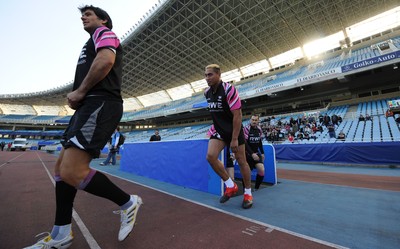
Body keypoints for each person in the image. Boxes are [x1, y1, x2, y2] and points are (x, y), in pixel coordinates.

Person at [24, 5, 142, 248]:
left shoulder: (104, 32)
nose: (83, 17)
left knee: (71, 171)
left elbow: (106, 60)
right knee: (61, 171)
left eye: (88, 14)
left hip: (100, 103)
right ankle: (61, 234)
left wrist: (80, 91)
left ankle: (128, 202)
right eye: (82, 15)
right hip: (88, 107)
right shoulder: (90, 41)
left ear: (104, 20)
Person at [204, 64, 253, 209]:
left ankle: (248, 194)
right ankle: (230, 186)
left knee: (242, 161)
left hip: (234, 131)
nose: (207, 78)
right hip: (219, 131)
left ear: (219, 74)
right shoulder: (206, 93)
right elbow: (216, 115)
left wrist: (234, 138)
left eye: (210, 74)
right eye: (206, 75)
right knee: (211, 156)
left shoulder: (229, 89)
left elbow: (237, 115)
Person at [243, 114, 265, 190]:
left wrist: (262, 153)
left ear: (258, 121)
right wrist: (251, 154)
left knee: (261, 169)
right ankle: (245, 190)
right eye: (253, 120)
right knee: (247, 173)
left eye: (256, 120)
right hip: (247, 154)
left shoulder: (259, 129)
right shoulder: (246, 129)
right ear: (250, 120)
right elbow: (244, 143)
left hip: (256, 153)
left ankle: (256, 188)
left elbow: (259, 142)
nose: (254, 121)